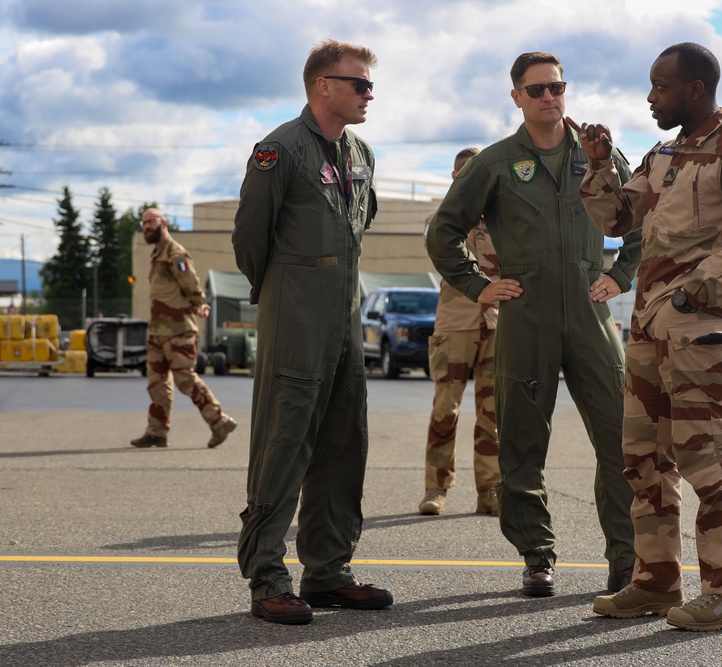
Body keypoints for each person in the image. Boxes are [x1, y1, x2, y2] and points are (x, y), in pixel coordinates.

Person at [570, 41, 722, 631]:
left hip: (695, 326)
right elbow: (616, 220)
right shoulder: (662, 154)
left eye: (660, 87)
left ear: (694, 89)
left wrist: (693, 291)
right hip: (647, 327)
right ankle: (656, 582)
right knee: (643, 458)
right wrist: (599, 162)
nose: (650, 96)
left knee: (704, 455)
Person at [426, 51, 642, 597]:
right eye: (538, 89)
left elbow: (644, 218)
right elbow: (443, 232)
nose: (551, 97)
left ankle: (626, 560)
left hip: (592, 316)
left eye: (558, 87)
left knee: (621, 441)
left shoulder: (600, 155)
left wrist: (621, 275)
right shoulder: (494, 163)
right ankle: (536, 555)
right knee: (521, 444)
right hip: (525, 318)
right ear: (517, 97)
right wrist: (479, 286)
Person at [231, 39, 392, 626]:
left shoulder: (361, 153)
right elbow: (251, 238)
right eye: (360, 84)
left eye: (371, 85)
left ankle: (327, 571)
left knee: (344, 441)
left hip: (345, 315)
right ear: (324, 85)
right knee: (284, 437)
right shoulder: (280, 149)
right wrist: (282, 292)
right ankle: (267, 575)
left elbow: (359, 226)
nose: (369, 94)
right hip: (295, 311)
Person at [419, 147, 502, 517]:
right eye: (463, 173)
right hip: (456, 323)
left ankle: (490, 490)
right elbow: (437, 247)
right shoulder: (443, 218)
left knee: (493, 412)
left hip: (498, 322)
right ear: (455, 178)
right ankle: (436, 488)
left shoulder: (503, 220)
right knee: (445, 409)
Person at [130, 208, 237, 450]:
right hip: (159, 331)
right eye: (144, 222)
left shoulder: (175, 253)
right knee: (156, 383)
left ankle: (219, 421)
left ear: (163, 223)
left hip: (178, 330)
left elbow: (190, 283)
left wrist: (200, 304)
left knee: (185, 379)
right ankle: (157, 432)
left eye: (151, 222)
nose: (146, 226)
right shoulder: (158, 254)